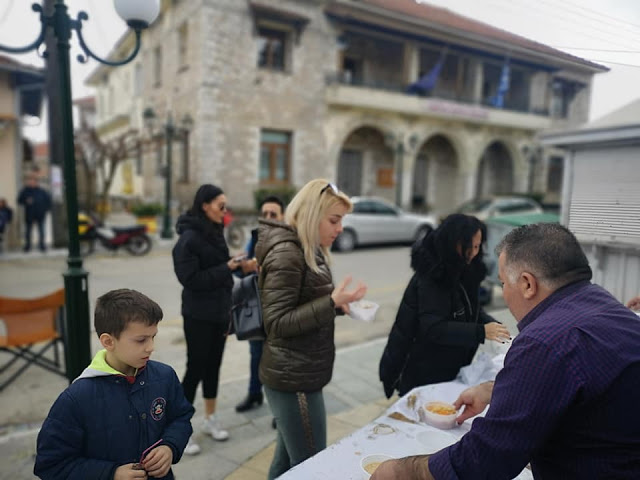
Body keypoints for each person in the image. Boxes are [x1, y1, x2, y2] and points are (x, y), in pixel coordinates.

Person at [371, 223, 640, 480]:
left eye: (503, 283)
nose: (503, 291)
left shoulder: (543, 341)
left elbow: (484, 459)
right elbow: (572, 378)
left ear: (526, 284)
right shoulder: (608, 306)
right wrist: (494, 389)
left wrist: (404, 472)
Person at [256, 179, 367, 479]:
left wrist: (339, 306)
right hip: (294, 380)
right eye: (334, 220)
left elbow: (304, 308)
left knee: (286, 461)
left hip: (299, 372)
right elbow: (276, 323)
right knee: (310, 467)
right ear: (311, 216)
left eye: (342, 220)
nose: (340, 228)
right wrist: (330, 303)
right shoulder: (288, 254)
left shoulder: (310, 249)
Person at [34, 289, 194, 480]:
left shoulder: (164, 376)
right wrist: (111, 473)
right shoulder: (77, 398)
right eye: (141, 340)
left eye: (153, 336)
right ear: (108, 341)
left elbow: (181, 417)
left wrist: (170, 446)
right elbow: (51, 465)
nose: (151, 347)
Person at [379, 214, 510, 398]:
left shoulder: (466, 269)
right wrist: (481, 332)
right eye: (468, 246)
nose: (473, 252)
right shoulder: (432, 277)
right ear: (452, 243)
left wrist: (493, 326)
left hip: (451, 365)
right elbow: (433, 328)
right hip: (424, 370)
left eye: (477, 246)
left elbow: (471, 311)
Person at [172, 184, 246, 455]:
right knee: (196, 369)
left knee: (214, 366)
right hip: (197, 315)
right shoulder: (188, 238)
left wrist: (237, 266)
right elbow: (191, 280)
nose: (224, 211)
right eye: (220, 206)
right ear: (205, 205)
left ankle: (210, 419)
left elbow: (220, 270)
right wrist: (226, 267)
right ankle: (180, 428)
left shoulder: (215, 232)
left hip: (220, 312)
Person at [234, 195, 285, 414]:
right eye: (264, 214)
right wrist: (244, 266)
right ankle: (254, 394)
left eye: (273, 214)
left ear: (283, 217)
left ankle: (281, 409)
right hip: (258, 308)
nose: (268, 218)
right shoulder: (255, 237)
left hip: (282, 311)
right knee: (256, 355)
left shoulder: (290, 240)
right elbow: (240, 267)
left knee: (281, 360)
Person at [17, 175, 52, 252]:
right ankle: (27, 246)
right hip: (29, 214)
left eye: (34, 181)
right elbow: (19, 200)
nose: (32, 183)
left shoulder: (42, 191)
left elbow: (48, 201)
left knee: (42, 230)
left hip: (40, 214)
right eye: (31, 181)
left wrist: (45, 209)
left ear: (37, 182)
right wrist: (26, 201)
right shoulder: (25, 191)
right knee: (28, 231)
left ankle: (42, 246)